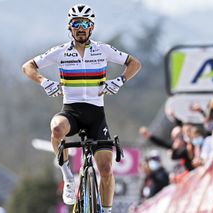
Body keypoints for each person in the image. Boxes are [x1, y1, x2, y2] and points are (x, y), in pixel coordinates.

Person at [21, 4, 141, 213]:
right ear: (70, 27)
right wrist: (44, 81)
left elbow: (134, 63)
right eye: (76, 24)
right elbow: (28, 66)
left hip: (96, 116)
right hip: (71, 112)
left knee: (105, 169)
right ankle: (68, 177)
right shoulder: (60, 52)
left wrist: (119, 81)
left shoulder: (103, 50)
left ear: (92, 27)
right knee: (57, 129)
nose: (81, 28)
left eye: (85, 24)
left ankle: (106, 210)